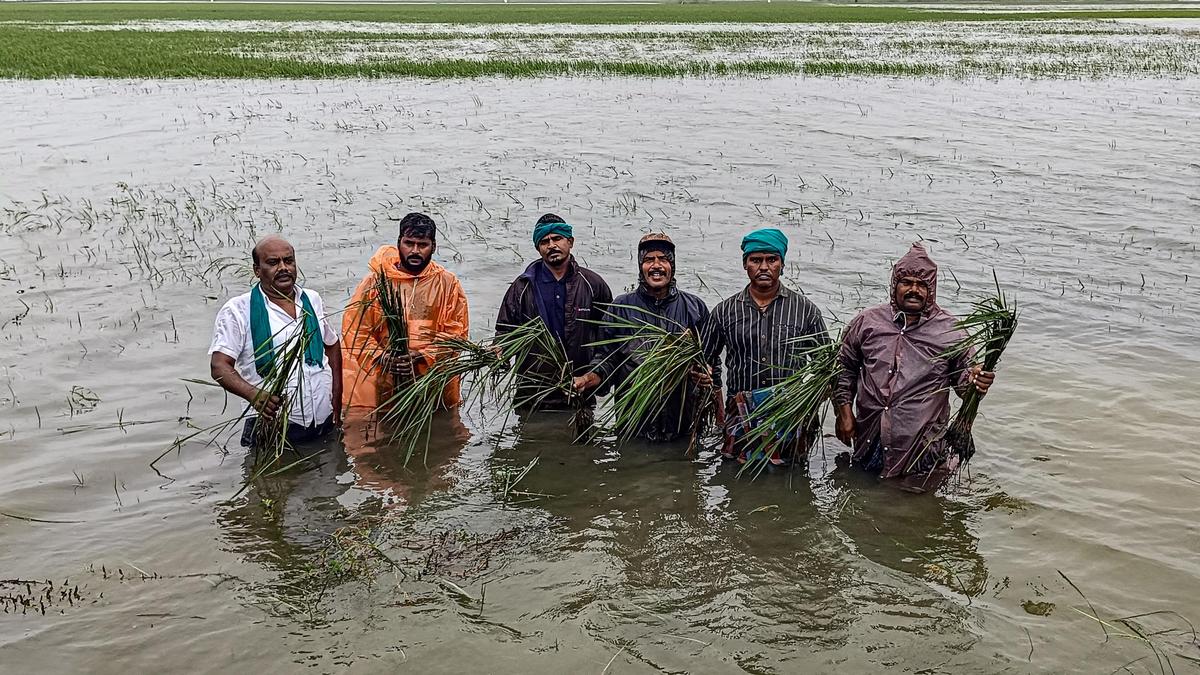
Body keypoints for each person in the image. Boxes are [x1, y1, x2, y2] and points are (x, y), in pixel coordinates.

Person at [833, 243, 996, 484]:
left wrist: (977, 381)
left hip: (921, 449)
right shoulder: (867, 322)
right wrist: (844, 413)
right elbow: (843, 367)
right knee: (862, 498)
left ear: (932, 290)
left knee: (912, 504)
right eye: (906, 282)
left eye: (922, 285)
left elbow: (965, 388)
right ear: (894, 285)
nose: (914, 290)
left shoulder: (951, 332)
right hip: (869, 436)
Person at [702, 227, 829, 466]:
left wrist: (806, 406)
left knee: (791, 480)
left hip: (789, 417)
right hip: (740, 417)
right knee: (737, 484)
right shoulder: (724, 311)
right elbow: (705, 362)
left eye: (771, 260)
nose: (763, 267)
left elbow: (827, 368)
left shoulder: (805, 310)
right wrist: (719, 412)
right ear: (745, 264)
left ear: (782, 264)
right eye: (756, 260)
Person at [209, 235, 342, 448]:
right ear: (257, 270)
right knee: (273, 481)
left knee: (329, 476)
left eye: (288, 261)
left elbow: (332, 345)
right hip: (273, 429)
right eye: (273, 262)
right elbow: (219, 366)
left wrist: (336, 398)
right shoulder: (238, 310)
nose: (283, 268)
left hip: (324, 423)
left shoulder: (312, 300)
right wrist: (254, 395)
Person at [583, 233, 713, 442]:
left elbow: (710, 361)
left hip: (682, 427)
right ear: (640, 266)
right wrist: (589, 378)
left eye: (663, 259)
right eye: (648, 260)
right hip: (634, 426)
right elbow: (606, 361)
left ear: (672, 265)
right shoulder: (620, 309)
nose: (656, 265)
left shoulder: (694, 308)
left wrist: (706, 373)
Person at [341, 212, 469, 414]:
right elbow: (356, 331)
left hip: (432, 381)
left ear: (433, 246)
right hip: (385, 379)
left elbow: (457, 333)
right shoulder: (375, 282)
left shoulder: (447, 283)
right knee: (385, 434)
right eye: (409, 243)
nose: (415, 251)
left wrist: (421, 355)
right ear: (399, 243)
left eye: (423, 245)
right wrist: (383, 357)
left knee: (440, 437)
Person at [496, 213, 612, 411]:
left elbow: (609, 339)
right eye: (544, 241)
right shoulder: (522, 287)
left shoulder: (593, 285)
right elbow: (505, 332)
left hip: (579, 392)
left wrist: (594, 376)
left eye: (557, 238)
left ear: (570, 241)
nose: (551, 245)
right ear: (538, 248)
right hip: (532, 395)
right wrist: (499, 353)